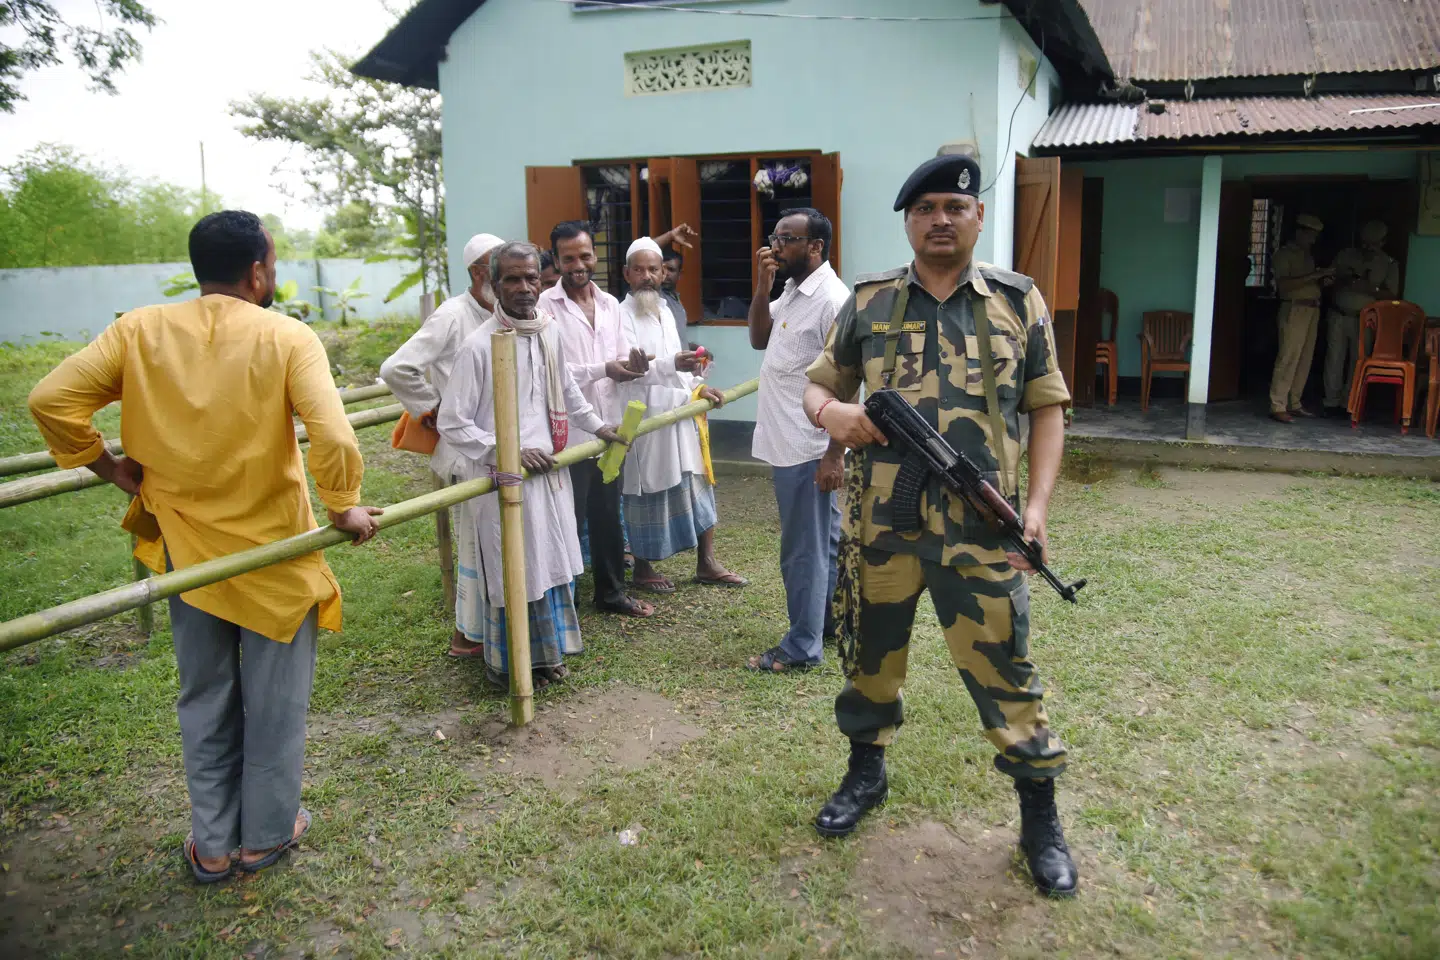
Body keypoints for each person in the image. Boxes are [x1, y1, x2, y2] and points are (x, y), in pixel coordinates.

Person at [28, 210, 384, 884]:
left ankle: (214, 846)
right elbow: (334, 438)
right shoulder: (286, 336)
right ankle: (267, 837)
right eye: (272, 267)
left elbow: (51, 399)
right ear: (257, 271)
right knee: (275, 705)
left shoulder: (139, 330)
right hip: (273, 557)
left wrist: (109, 468)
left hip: (187, 555)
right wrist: (343, 506)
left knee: (205, 697)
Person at [801, 155, 1078, 897]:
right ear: (909, 222)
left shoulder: (1018, 303)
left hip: (985, 533)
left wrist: (1039, 512)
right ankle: (866, 774)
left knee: (1006, 672)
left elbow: (1048, 408)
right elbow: (819, 385)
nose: (941, 220)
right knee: (869, 661)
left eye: (955, 206)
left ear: (978, 217)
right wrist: (837, 415)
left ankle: (1039, 814)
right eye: (926, 209)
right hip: (882, 529)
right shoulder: (869, 302)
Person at [438, 241, 625, 690]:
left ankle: (547, 655)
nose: (524, 288)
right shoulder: (479, 346)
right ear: (492, 284)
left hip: (550, 471)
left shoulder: (548, 330)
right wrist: (506, 449)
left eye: (531, 278)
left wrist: (599, 427)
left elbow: (568, 391)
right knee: (514, 568)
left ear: (543, 280)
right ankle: (510, 666)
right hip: (504, 476)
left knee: (549, 561)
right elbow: (452, 422)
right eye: (512, 279)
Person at [380, 232, 503, 657]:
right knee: (474, 541)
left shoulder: (504, 311)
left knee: (496, 540)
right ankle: (467, 636)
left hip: (497, 445)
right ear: (476, 272)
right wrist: (431, 407)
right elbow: (396, 368)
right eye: (495, 264)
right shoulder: (452, 315)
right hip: (465, 450)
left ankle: (493, 630)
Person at [744, 208, 849, 673]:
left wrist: (834, 454)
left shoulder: (832, 299)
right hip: (787, 439)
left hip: (809, 446)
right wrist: (763, 287)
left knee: (802, 549)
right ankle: (827, 623)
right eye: (775, 237)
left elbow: (847, 383)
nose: (775, 246)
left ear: (816, 247)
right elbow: (758, 339)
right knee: (824, 542)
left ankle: (802, 647)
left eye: (787, 239)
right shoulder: (791, 289)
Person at [539, 220, 655, 619]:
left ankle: (611, 593)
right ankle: (560, 603)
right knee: (566, 519)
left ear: (595, 256)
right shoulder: (542, 308)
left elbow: (620, 357)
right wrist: (604, 368)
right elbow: (554, 373)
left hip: (610, 426)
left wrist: (630, 366)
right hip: (568, 434)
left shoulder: (609, 304)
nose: (578, 265)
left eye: (585, 256)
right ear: (555, 259)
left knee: (608, 515)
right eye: (568, 258)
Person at [617, 237, 746, 593]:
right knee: (645, 490)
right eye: (639, 269)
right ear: (626, 274)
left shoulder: (667, 310)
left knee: (697, 481)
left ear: (664, 274)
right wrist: (674, 367)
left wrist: (698, 387)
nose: (647, 276)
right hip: (645, 417)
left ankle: (707, 563)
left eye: (653, 269)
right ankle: (643, 568)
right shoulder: (618, 315)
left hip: (679, 412)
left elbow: (681, 365)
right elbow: (629, 367)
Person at [1323, 219, 1399, 416]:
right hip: (1339, 313)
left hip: (1364, 320)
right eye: (1365, 242)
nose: (1368, 247)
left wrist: (1370, 289)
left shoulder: (1389, 263)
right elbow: (1328, 279)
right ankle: (1330, 403)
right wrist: (1342, 279)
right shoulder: (1346, 255)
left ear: (1383, 242)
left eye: (1373, 244)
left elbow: (1392, 295)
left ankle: (1349, 403)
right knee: (1334, 360)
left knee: (1358, 361)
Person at [1268, 214, 1333, 423]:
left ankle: (1294, 402)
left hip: (1312, 310)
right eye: (1310, 235)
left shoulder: (1308, 256)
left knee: (1304, 359)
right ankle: (1277, 404)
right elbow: (1284, 286)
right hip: (1294, 309)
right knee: (1288, 356)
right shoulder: (1284, 255)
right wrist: (1315, 275)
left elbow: (1309, 285)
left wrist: (1323, 280)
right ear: (1299, 232)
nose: (1313, 240)